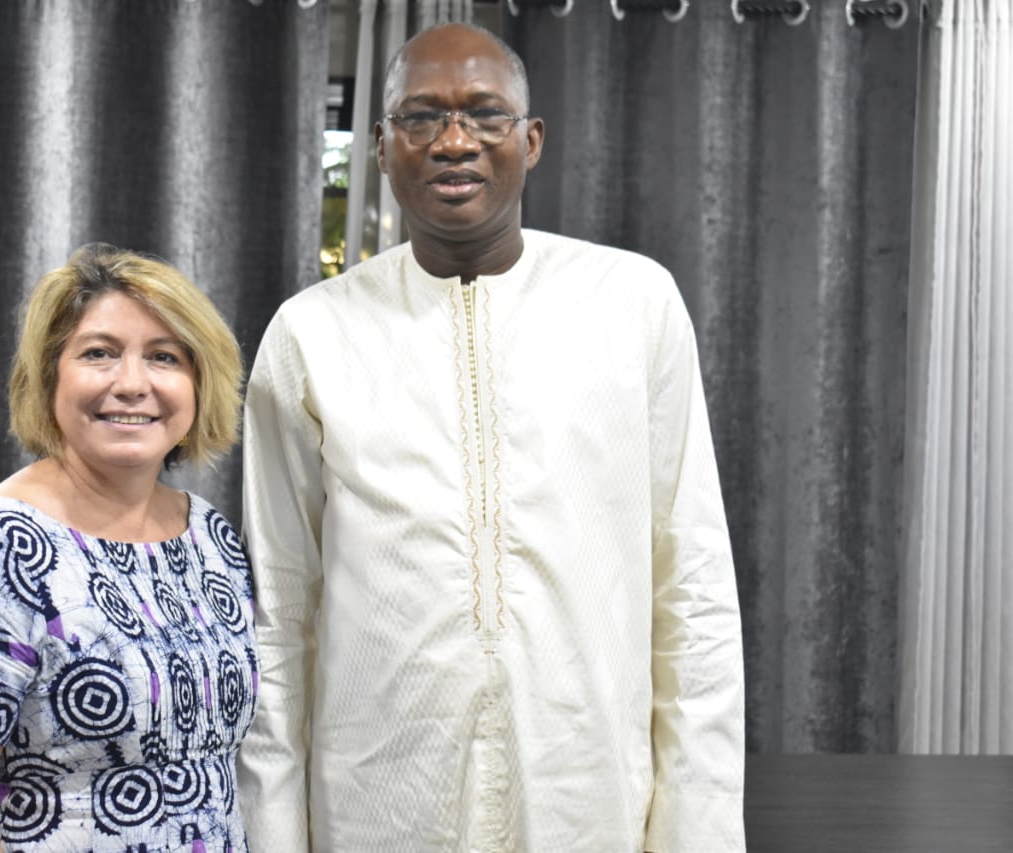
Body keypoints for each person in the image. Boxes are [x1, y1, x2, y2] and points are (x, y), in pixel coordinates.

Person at [238, 22, 744, 853]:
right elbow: (279, 613)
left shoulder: (632, 306)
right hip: (379, 803)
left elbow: (691, 590)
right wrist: (274, 834)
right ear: (380, 145)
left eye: (485, 114)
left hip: (586, 801)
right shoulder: (312, 336)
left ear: (531, 139)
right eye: (420, 118)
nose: (454, 141)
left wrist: (698, 834)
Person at [0, 244, 257, 852]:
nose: (132, 384)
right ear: (49, 379)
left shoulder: (212, 538)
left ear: (201, 383)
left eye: (164, 357)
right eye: (99, 353)